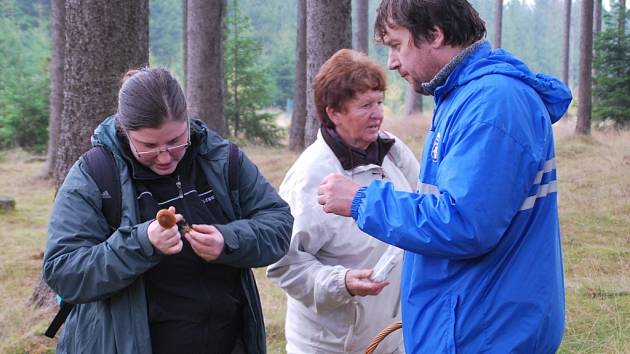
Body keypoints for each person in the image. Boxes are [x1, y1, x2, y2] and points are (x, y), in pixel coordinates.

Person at [317, 1, 572, 353]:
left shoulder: (492, 104)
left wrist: (362, 200)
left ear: (434, 34)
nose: (391, 62)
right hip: (473, 320)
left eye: (396, 44)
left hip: (486, 331)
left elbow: (465, 223)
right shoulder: (462, 97)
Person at [43, 67, 293, 354]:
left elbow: (279, 223)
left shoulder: (223, 160)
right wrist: (141, 244)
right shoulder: (95, 174)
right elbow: (63, 271)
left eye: (176, 142)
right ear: (125, 129)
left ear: (187, 120)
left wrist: (229, 240)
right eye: (149, 146)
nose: (165, 157)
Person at [267, 49, 419, 354]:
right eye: (365, 105)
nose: (378, 113)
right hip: (331, 347)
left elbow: (421, 210)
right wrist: (342, 281)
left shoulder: (394, 152)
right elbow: (283, 264)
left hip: (392, 339)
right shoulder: (309, 179)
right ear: (334, 112)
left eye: (379, 101)